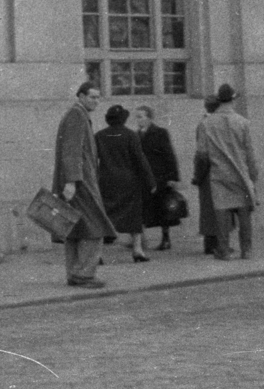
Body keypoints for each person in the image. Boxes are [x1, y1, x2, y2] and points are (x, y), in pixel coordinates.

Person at [52, 82, 115, 288]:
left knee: (74, 228)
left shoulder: (77, 115)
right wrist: (71, 181)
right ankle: (84, 274)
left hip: (78, 181)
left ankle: (75, 273)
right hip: (80, 184)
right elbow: (71, 150)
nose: (96, 101)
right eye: (91, 97)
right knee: (95, 227)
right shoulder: (77, 116)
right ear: (80, 96)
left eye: (98, 98)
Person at [197, 83, 259, 260]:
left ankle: (223, 249)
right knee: (244, 211)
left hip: (219, 174)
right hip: (241, 172)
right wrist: (253, 177)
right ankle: (246, 250)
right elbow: (250, 154)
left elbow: (202, 153)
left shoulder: (206, 124)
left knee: (222, 212)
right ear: (233, 100)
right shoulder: (243, 122)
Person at [94, 105, 157, 263]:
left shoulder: (99, 136)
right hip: (129, 181)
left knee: (104, 216)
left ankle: (97, 254)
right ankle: (137, 250)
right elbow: (140, 159)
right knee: (134, 215)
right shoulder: (130, 135)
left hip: (106, 181)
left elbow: (93, 159)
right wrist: (150, 180)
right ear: (124, 118)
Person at [136, 104, 182, 251]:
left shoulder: (160, 133)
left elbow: (169, 154)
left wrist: (173, 176)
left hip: (160, 176)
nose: (138, 120)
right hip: (144, 177)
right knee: (143, 208)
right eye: (137, 117)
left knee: (163, 207)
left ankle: (166, 238)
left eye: (141, 117)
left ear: (149, 118)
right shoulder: (136, 135)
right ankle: (141, 241)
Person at [193, 94, 223, 255]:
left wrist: (197, 174)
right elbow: (202, 154)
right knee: (214, 207)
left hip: (208, 169)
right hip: (213, 169)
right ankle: (213, 243)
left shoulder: (204, 124)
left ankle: (213, 242)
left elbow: (201, 153)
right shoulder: (209, 124)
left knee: (209, 208)